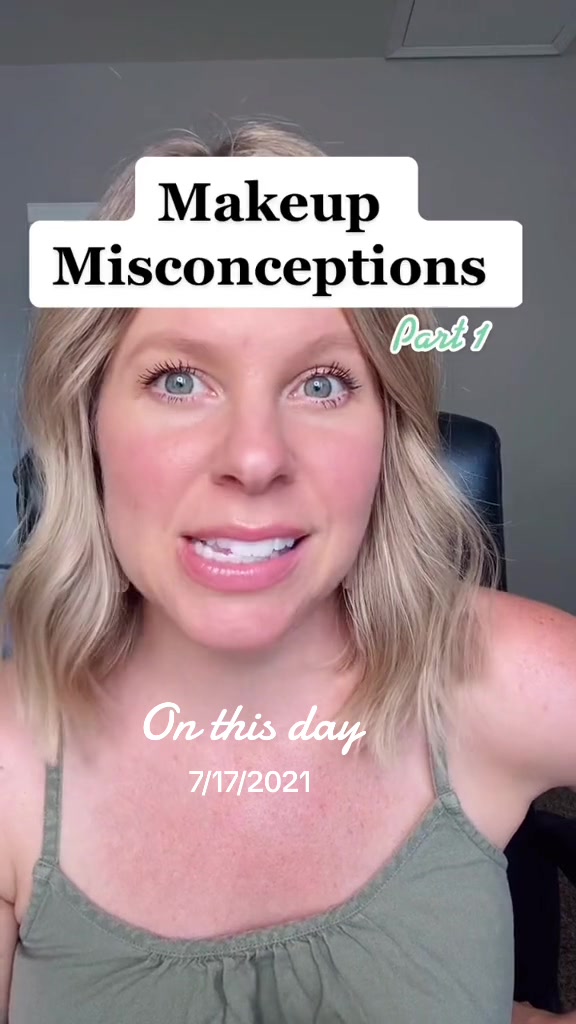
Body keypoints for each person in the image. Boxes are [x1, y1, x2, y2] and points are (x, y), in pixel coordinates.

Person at [0, 123, 575, 1024]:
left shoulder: (499, 672)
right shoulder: (11, 756)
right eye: (179, 379)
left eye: (322, 383)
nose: (256, 458)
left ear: (388, 429)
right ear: (88, 421)